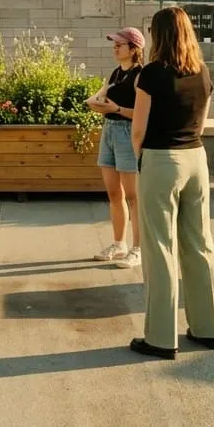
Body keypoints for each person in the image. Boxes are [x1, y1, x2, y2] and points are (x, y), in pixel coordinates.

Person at [130, 6, 214, 360]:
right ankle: (207, 328)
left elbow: (138, 129)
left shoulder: (151, 74)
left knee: (159, 249)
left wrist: (143, 159)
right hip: (196, 159)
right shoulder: (202, 71)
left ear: (159, 34)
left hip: (160, 158)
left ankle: (160, 338)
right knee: (200, 245)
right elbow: (202, 120)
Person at [86, 27, 145, 269]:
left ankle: (138, 248)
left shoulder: (141, 76)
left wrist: (116, 109)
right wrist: (101, 105)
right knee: (113, 193)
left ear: (133, 49)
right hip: (109, 131)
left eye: (119, 44)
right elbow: (95, 99)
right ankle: (118, 243)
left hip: (127, 133)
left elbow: (143, 114)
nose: (115, 48)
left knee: (133, 196)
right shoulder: (114, 74)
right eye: (114, 44)